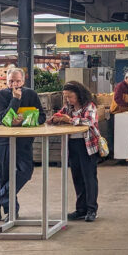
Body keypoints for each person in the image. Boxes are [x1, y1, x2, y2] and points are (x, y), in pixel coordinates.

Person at [0, 68, 46, 221]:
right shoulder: (0, 95)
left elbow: (42, 116)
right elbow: (4, 119)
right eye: (11, 81)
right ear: (6, 81)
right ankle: (12, 211)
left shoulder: (31, 94)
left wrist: (25, 119)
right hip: (4, 140)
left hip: (24, 140)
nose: (14, 84)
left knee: (25, 171)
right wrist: (15, 100)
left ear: (23, 81)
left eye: (18, 81)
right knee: (3, 174)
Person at [50, 81, 101, 223]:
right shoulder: (68, 107)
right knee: (77, 177)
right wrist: (55, 118)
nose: (68, 100)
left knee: (89, 178)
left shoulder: (89, 106)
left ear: (79, 94)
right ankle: (81, 209)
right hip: (72, 145)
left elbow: (89, 121)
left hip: (87, 146)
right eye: (66, 97)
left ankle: (92, 209)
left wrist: (70, 120)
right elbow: (60, 114)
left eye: (70, 96)